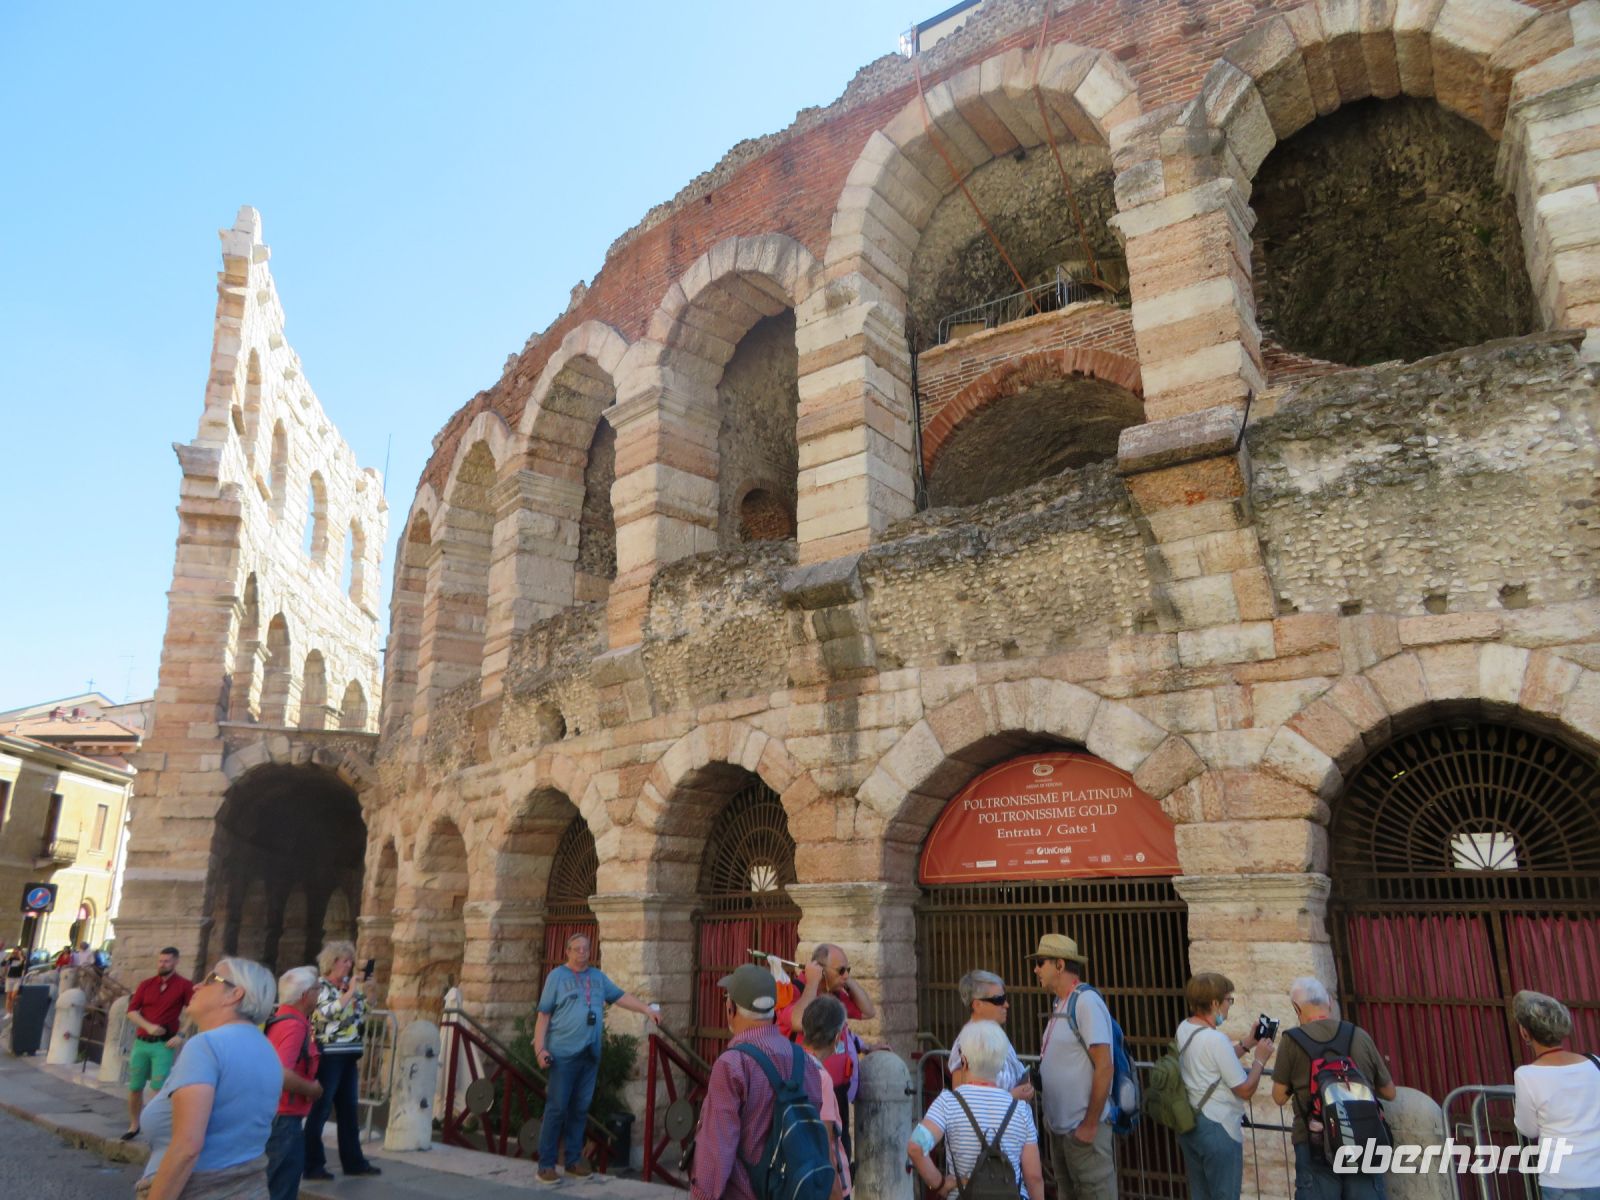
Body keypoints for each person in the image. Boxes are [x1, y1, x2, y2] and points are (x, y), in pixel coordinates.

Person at [135, 957, 282, 1200]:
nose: (196, 986)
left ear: (234, 994)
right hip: (250, 1186)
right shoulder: (267, 1049)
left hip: (199, 1188)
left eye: (211, 979)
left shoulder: (206, 1046)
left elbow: (187, 1148)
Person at [532, 932, 660, 1183]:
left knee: (579, 1109)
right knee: (557, 1109)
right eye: (577, 949)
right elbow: (543, 1016)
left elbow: (621, 996)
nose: (582, 953)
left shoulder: (597, 978)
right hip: (562, 1054)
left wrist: (646, 1009)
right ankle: (546, 1165)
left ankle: (572, 1161)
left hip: (589, 1054)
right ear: (567, 951)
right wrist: (540, 1049)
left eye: (586, 949)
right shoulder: (557, 977)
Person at [691, 963, 826, 1200]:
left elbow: (717, 1148)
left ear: (730, 1008)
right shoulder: (802, 1059)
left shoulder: (732, 1064)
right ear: (774, 1012)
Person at [1271, 977, 1395, 1200]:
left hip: (1314, 1141)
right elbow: (1389, 1092)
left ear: (1297, 1009)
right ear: (1329, 1001)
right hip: (1362, 1140)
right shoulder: (1358, 1035)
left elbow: (1278, 1097)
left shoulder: (1292, 1041)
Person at [910, 1019, 1046, 1200]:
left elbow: (915, 1147)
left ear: (964, 1060)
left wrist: (940, 1183)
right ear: (1001, 1063)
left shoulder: (948, 1103)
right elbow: (1034, 1177)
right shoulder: (1021, 1109)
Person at [1174, 973, 1274, 1200]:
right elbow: (1245, 1090)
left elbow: (1215, 1062)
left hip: (1191, 1122)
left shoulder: (1185, 1028)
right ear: (1214, 1003)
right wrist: (1260, 1059)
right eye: (1229, 1000)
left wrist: (1248, 1043)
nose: (1230, 1006)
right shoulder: (1215, 1040)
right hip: (1218, 1128)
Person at [1032, 933, 1117, 1200]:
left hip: (1083, 1131)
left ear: (1060, 965)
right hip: (1062, 1131)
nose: (1035, 969)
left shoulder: (1086, 1002)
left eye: (1041, 962)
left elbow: (1104, 1066)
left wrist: (1090, 1124)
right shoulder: (1060, 1003)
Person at [781, 943, 879, 1161]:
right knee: (818, 1156)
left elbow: (868, 1011)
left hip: (838, 1093)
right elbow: (798, 1021)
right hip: (809, 1091)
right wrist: (813, 982)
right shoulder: (797, 991)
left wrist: (846, 979)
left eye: (848, 969)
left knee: (840, 1152)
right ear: (821, 970)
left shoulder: (836, 994)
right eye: (841, 970)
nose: (845, 975)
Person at [301, 941, 380, 1181]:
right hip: (329, 1054)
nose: (349, 965)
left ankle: (354, 1162)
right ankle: (313, 1165)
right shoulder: (322, 987)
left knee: (348, 1111)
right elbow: (327, 1013)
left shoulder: (348, 987)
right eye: (344, 961)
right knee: (321, 1110)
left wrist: (370, 990)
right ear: (332, 962)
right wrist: (350, 991)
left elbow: (363, 1010)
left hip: (349, 1053)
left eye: (350, 961)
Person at [1512, 989, 1600, 1200]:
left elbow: (1528, 1129)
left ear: (1525, 1032)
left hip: (1561, 1179)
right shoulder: (1595, 1063)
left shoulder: (1526, 1075)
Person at [265, 966, 324, 1200]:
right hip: (284, 1120)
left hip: (277, 1115)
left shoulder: (282, 1018)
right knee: (282, 1188)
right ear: (305, 995)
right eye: (317, 989)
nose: (319, 994)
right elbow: (281, 1073)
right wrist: (311, 1089)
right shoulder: (294, 1025)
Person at [125, 947, 196, 1140]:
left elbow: (193, 1010)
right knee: (135, 1086)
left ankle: (153, 1126)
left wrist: (181, 1034)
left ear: (175, 962)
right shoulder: (146, 984)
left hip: (164, 1044)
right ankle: (134, 1124)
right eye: (160, 961)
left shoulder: (183, 985)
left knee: (158, 1087)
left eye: (166, 961)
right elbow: (132, 1011)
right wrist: (147, 1026)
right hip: (142, 1041)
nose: (162, 964)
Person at [949, 969, 1034, 1100]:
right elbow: (962, 1098)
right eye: (999, 999)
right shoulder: (966, 1043)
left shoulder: (997, 1035)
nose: (1006, 1004)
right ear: (977, 1005)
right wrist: (1011, 1097)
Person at [801, 994, 852, 1199]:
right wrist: (837, 1194)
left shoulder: (792, 1065)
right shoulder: (821, 1078)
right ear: (837, 1036)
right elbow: (825, 1142)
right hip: (824, 1187)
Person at [3, 946, 25, 1016]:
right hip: (10, 978)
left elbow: (21, 963)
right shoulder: (11, 958)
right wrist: (9, 956)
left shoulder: (22, 958)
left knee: (13, 996)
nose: (15, 951)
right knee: (8, 996)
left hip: (17, 978)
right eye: (15, 950)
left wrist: (20, 954)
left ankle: (12, 1010)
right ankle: (8, 1012)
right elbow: (4, 964)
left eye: (17, 950)